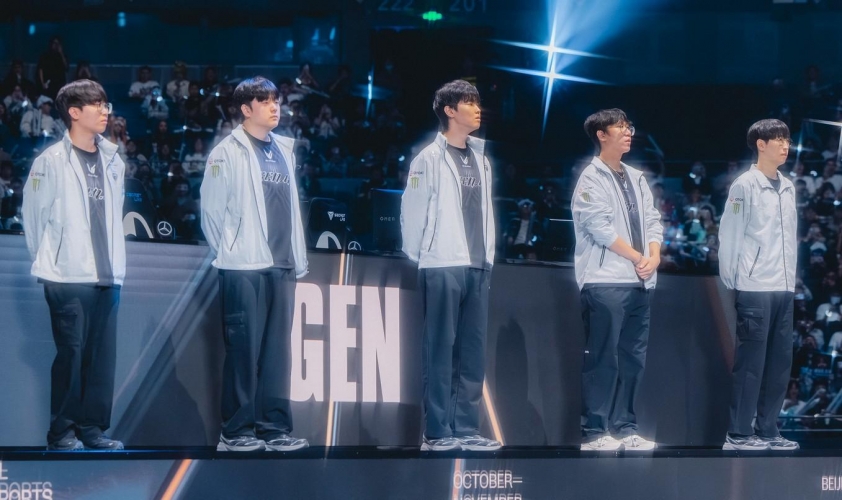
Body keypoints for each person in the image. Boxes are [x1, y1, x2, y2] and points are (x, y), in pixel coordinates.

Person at [200, 76, 309, 452]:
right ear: (246, 109)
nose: (275, 106)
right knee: (243, 351)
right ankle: (235, 432)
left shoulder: (284, 149)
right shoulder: (226, 152)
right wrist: (232, 250)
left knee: (277, 354)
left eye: (276, 99)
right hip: (244, 266)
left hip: (283, 264)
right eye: (265, 101)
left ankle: (274, 428)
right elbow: (211, 213)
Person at [22, 79, 126, 451]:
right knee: (72, 353)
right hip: (66, 275)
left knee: (101, 358)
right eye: (96, 104)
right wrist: (53, 258)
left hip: (107, 273)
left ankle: (93, 429)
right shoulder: (49, 161)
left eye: (105, 104)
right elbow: (33, 218)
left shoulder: (113, 160)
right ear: (74, 112)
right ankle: (61, 434)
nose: (104, 111)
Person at [400, 80, 500, 452]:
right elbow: (412, 211)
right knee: (440, 349)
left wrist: (487, 256)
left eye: (478, 102)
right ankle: (437, 432)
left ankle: (466, 428)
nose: (477, 108)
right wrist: (426, 253)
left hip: (478, 263)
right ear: (449, 110)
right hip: (442, 262)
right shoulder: (428, 158)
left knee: (472, 352)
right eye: (469, 103)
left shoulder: (482, 159)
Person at [571, 108, 663, 452]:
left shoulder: (637, 177)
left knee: (633, 360)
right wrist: (638, 257)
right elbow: (599, 228)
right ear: (601, 135)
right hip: (605, 280)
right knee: (603, 358)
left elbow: (653, 221)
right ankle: (595, 431)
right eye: (620, 127)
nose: (628, 133)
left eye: (629, 127)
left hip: (640, 282)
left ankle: (625, 427)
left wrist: (654, 256)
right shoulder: (590, 177)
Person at [718, 119, 799, 451]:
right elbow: (730, 234)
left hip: (784, 285)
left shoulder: (789, 186)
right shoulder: (745, 185)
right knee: (751, 363)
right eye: (778, 139)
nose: (785, 145)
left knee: (780, 363)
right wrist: (734, 279)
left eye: (787, 140)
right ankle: (738, 433)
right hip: (754, 285)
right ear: (760, 145)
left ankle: (768, 430)